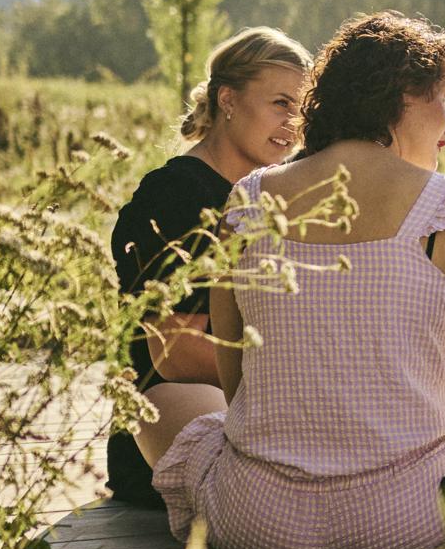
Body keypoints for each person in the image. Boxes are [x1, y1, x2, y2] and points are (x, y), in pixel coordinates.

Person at [143, 10, 445, 549]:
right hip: (414, 524)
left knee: (168, 404)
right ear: (404, 95)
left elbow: (236, 378)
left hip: (257, 519)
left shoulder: (248, 197)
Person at [106, 26, 311, 509]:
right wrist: (299, 375)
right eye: (281, 103)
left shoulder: (271, 197)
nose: (293, 123)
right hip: (170, 440)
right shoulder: (175, 193)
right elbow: (175, 353)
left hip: (260, 415)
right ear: (229, 100)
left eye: (302, 110)